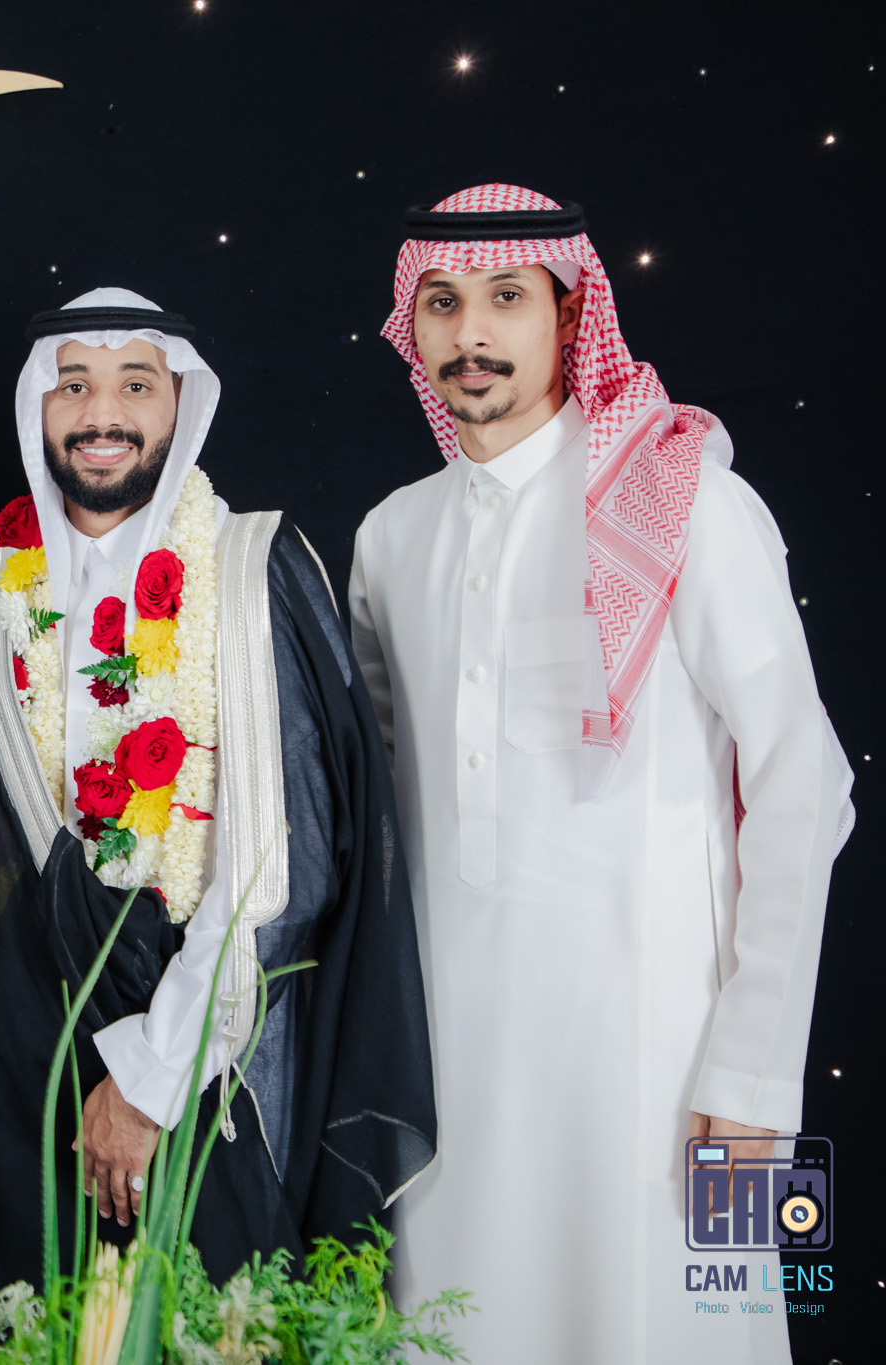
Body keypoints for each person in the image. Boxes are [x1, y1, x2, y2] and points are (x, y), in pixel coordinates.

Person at [349, 184, 854, 1363]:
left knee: (696, 1331)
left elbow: (802, 785)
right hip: (444, 1088)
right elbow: (374, 818)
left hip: (679, 1071)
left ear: (572, 316)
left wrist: (754, 1076)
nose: (470, 334)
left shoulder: (689, 499)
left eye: (505, 298)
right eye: (441, 304)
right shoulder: (389, 536)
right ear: (410, 327)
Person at [0, 287, 436, 1348]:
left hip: (206, 1053)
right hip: (16, 1066)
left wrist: (148, 1078)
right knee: (22, 1331)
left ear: (180, 403)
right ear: (37, 406)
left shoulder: (252, 569)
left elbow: (284, 859)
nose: (103, 414)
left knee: (204, 1326)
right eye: (74, 386)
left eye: (135, 385)